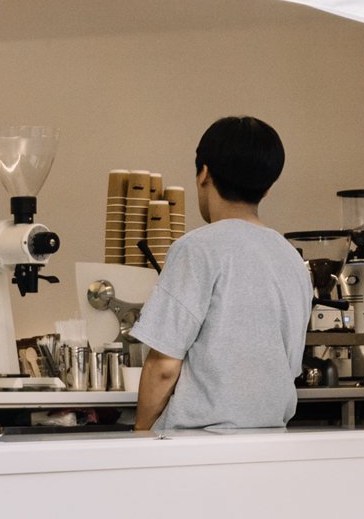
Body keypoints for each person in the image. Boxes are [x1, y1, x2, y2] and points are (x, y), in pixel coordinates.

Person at [133, 116, 312, 433]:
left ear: (204, 173)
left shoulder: (196, 249)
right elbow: (289, 366)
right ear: (267, 187)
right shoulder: (291, 258)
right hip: (272, 444)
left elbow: (163, 365)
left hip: (199, 448)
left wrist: (141, 433)